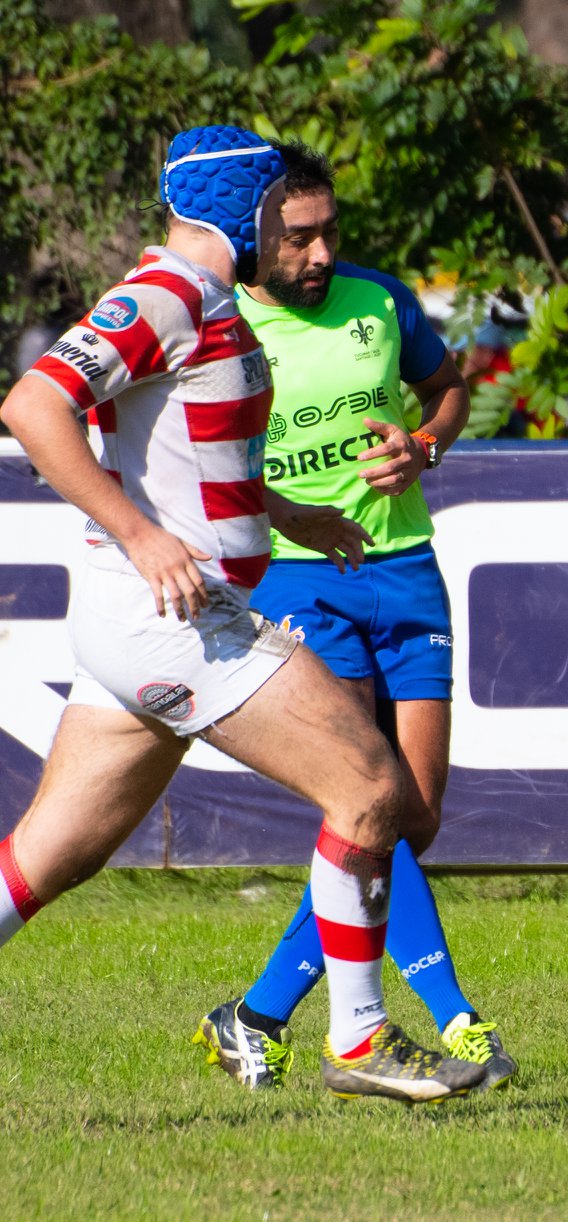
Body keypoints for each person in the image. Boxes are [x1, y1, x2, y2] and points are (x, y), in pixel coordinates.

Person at [0, 125, 484, 1103]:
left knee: (50, 857)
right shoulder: (167, 295)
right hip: (174, 618)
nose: (302, 240)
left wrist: (288, 512)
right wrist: (141, 537)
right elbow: (30, 407)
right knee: (371, 786)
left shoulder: (205, 299)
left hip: (141, 621)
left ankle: (338, 1033)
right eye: (281, 215)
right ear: (243, 212)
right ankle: (359, 1039)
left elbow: (185, 455)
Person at [190, 141, 516, 1091]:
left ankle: (254, 1014)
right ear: (256, 234)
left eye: (330, 231)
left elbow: (449, 390)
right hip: (298, 579)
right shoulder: (216, 322)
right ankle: (456, 1018)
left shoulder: (380, 301)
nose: (321, 253)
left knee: (412, 819)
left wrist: (424, 445)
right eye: (299, 237)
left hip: (405, 569)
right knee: (366, 801)